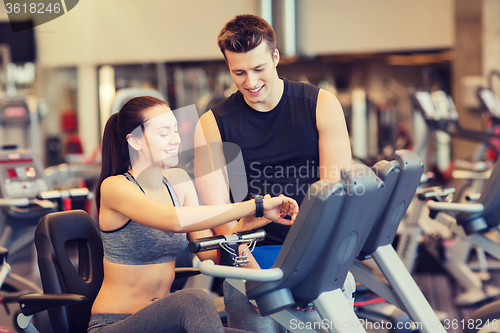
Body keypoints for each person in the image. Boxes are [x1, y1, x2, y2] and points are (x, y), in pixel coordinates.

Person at [194, 14, 354, 332]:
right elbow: (219, 217)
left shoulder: (321, 105)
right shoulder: (212, 124)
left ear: (275, 57)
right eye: (239, 72)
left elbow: (334, 199)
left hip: (315, 254)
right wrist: (250, 272)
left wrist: (312, 269)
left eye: (258, 69)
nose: (250, 83)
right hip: (249, 256)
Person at [88, 96, 298, 333]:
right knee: (194, 298)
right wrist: (255, 206)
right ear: (135, 141)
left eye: (175, 130)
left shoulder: (178, 182)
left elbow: (209, 250)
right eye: (164, 132)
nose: (176, 140)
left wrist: (242, 226)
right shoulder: (116, 187)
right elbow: (173, 220)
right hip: (117, 324)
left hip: (167, 324)